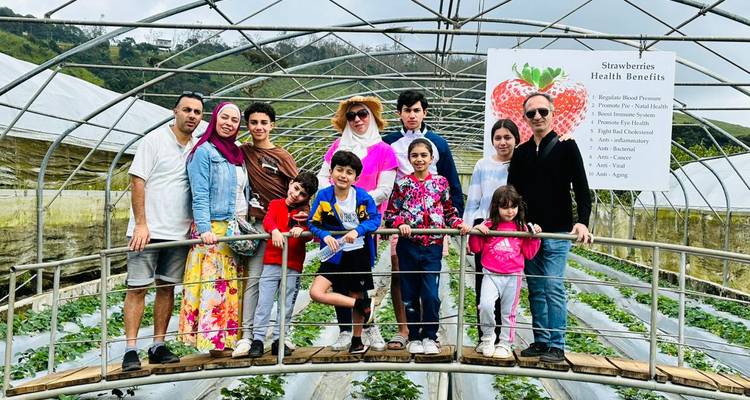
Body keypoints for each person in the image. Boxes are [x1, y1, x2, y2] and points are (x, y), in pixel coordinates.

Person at [121, 92, 204, 371]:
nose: (192, 115)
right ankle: (131, 349)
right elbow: (138, 182)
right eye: (187, 110)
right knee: (137, 288)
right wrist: (141, 223)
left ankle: (158, 344)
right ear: (175, 112)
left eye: (197, 112)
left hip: (178, 232)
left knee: (167, 288)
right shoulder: (154, 141)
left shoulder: (197, 148)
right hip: (147, 231)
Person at [508, 92, 592, 363]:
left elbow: (581, 187)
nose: (538, 117)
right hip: (529, 232)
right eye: (531, 113)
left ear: (552, 114)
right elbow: (513, 192)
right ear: (525, 119)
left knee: (553, 285)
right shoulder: (521, 153)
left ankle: (557, 343)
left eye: (542, 111)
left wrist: (582, 221)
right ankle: (541, 340)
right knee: (536, 287)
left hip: (557, 231)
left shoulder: (567, 147)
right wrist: (516, 223)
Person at [382, 90, 464, 350]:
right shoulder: (389, 144)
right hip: (405, 234)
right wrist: (391, 224)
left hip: (433, 237)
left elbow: (451, 190)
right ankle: (408, 333)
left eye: (416, 110)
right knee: (404, 282)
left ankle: (429, 335)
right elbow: (389, 199)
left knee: (430, 291)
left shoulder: (439, 143)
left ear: (424, 112)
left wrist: (456, 223)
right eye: (406, 110)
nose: (412, 115)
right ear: (399, 113)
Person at [317, 96, 397, 352]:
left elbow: (385, 189)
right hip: (333, 226)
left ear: (372, 117)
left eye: (363, 114)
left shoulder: (384, 150)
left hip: (360, 228)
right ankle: (344, 331)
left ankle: (365, 330)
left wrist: (354, 200)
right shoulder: (336, 147)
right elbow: (322, 178)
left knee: (359, 280)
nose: (358, 120)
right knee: (338, 280)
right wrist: (333, 201)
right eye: (351, 116)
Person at [178, 101, 246, 353]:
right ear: (215, 119)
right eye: (224, 117)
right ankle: (212, 342)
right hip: (212, 230)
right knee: (213, 286)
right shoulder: (204, 152)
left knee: (228, 284)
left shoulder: (237, 153)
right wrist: (205, 228)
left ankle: (227, 340)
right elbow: (200, 194)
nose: (229, 123)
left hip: (232, 229)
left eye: (234, 120)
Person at [234, 102, 300, 357]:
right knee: (254, 281)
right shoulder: (243, 152)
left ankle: (283, 334)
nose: (258, 127)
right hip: (256, 225)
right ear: (247, 125)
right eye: (253, 122)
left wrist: (295, 223)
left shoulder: (282, 157)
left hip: (281, 227)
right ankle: (249, 336)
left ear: (272, 125)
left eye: (264, 123)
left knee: (285, 283)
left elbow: (300, 191)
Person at [308, 151, 381, 354]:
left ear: (356, 178)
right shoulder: (324, 196)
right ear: (331, 172)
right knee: (316, 292)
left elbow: (375, 219)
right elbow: (313, 222)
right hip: (334, 254)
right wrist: (325, 235)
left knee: (355, 289)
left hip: (358, 252)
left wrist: (358, 230)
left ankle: (357, 340)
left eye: (349, 172)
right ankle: (362, 304)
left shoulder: (363, 197)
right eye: (339, 170)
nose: (343, 175)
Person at [245, 171, 318, 358]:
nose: (296, 194)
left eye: (302, 194)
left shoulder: (305, 214)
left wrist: (300, 229)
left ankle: (279, 338)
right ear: (291, 183)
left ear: (307, 198)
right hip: (272, 261)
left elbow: (310, 231)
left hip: (293, 263)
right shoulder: (276, 204)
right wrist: (276, 230)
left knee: (286, 303)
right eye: (296, 188)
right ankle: (258, 339)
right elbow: (269, 220)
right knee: (264, 301)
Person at [464, 119, 520, 353]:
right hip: (486, 231)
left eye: (507, 137)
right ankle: (485, 337)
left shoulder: (521, 164)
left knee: (507, 288)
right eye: (498, 138)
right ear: (492, 141)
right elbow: (474, 199)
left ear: (516, 139)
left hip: (511, 231)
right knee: (484, 285)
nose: (503, 142)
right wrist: (470, 229)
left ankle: (503, 341)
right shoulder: (483, 164)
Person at [469, 185, 541, 358]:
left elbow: (530, 253)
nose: (510, 211)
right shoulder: (488, 225)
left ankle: (505, 343)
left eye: (513, 207)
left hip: (513, 276)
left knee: (509, 312)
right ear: (496, 207)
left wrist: (535, 237)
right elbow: (475, 248)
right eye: (505, 207)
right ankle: (487, 338)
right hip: (490, 274)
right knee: (485, 305)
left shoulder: (522, 227)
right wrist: (476, 232)